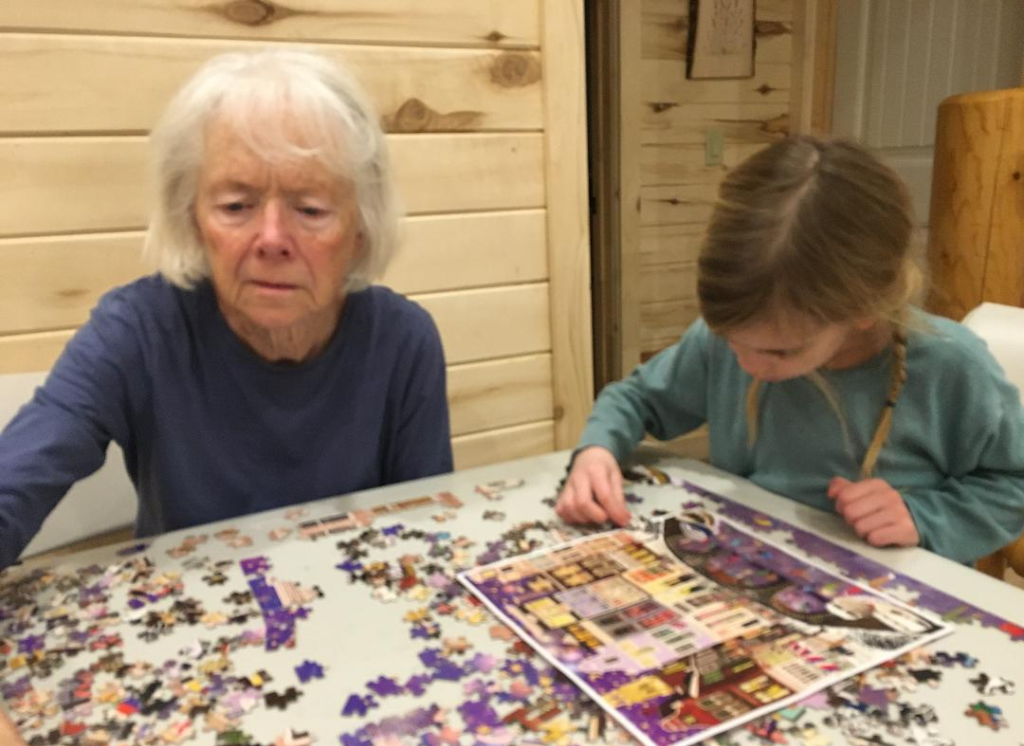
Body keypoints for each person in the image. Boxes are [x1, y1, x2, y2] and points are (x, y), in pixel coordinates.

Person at [0, 50, 453, 570]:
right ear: (192, 219)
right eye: (236, 206)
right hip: (185, 603)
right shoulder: (135, 331)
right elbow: (18, 477)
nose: (272, 239)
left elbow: (424, 533)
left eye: (311, 209)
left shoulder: (404, 340)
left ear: (360, 229)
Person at [557, 135, 1024, 565]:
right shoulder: (726, 342)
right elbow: (636, 398)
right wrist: (598, 450)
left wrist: (923, 517)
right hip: (751, 570)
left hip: (888, 591)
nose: (747, 364)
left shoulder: (951, 366)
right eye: (731, 340)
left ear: (864, 308)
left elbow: (1014, 486)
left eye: (781, 353)